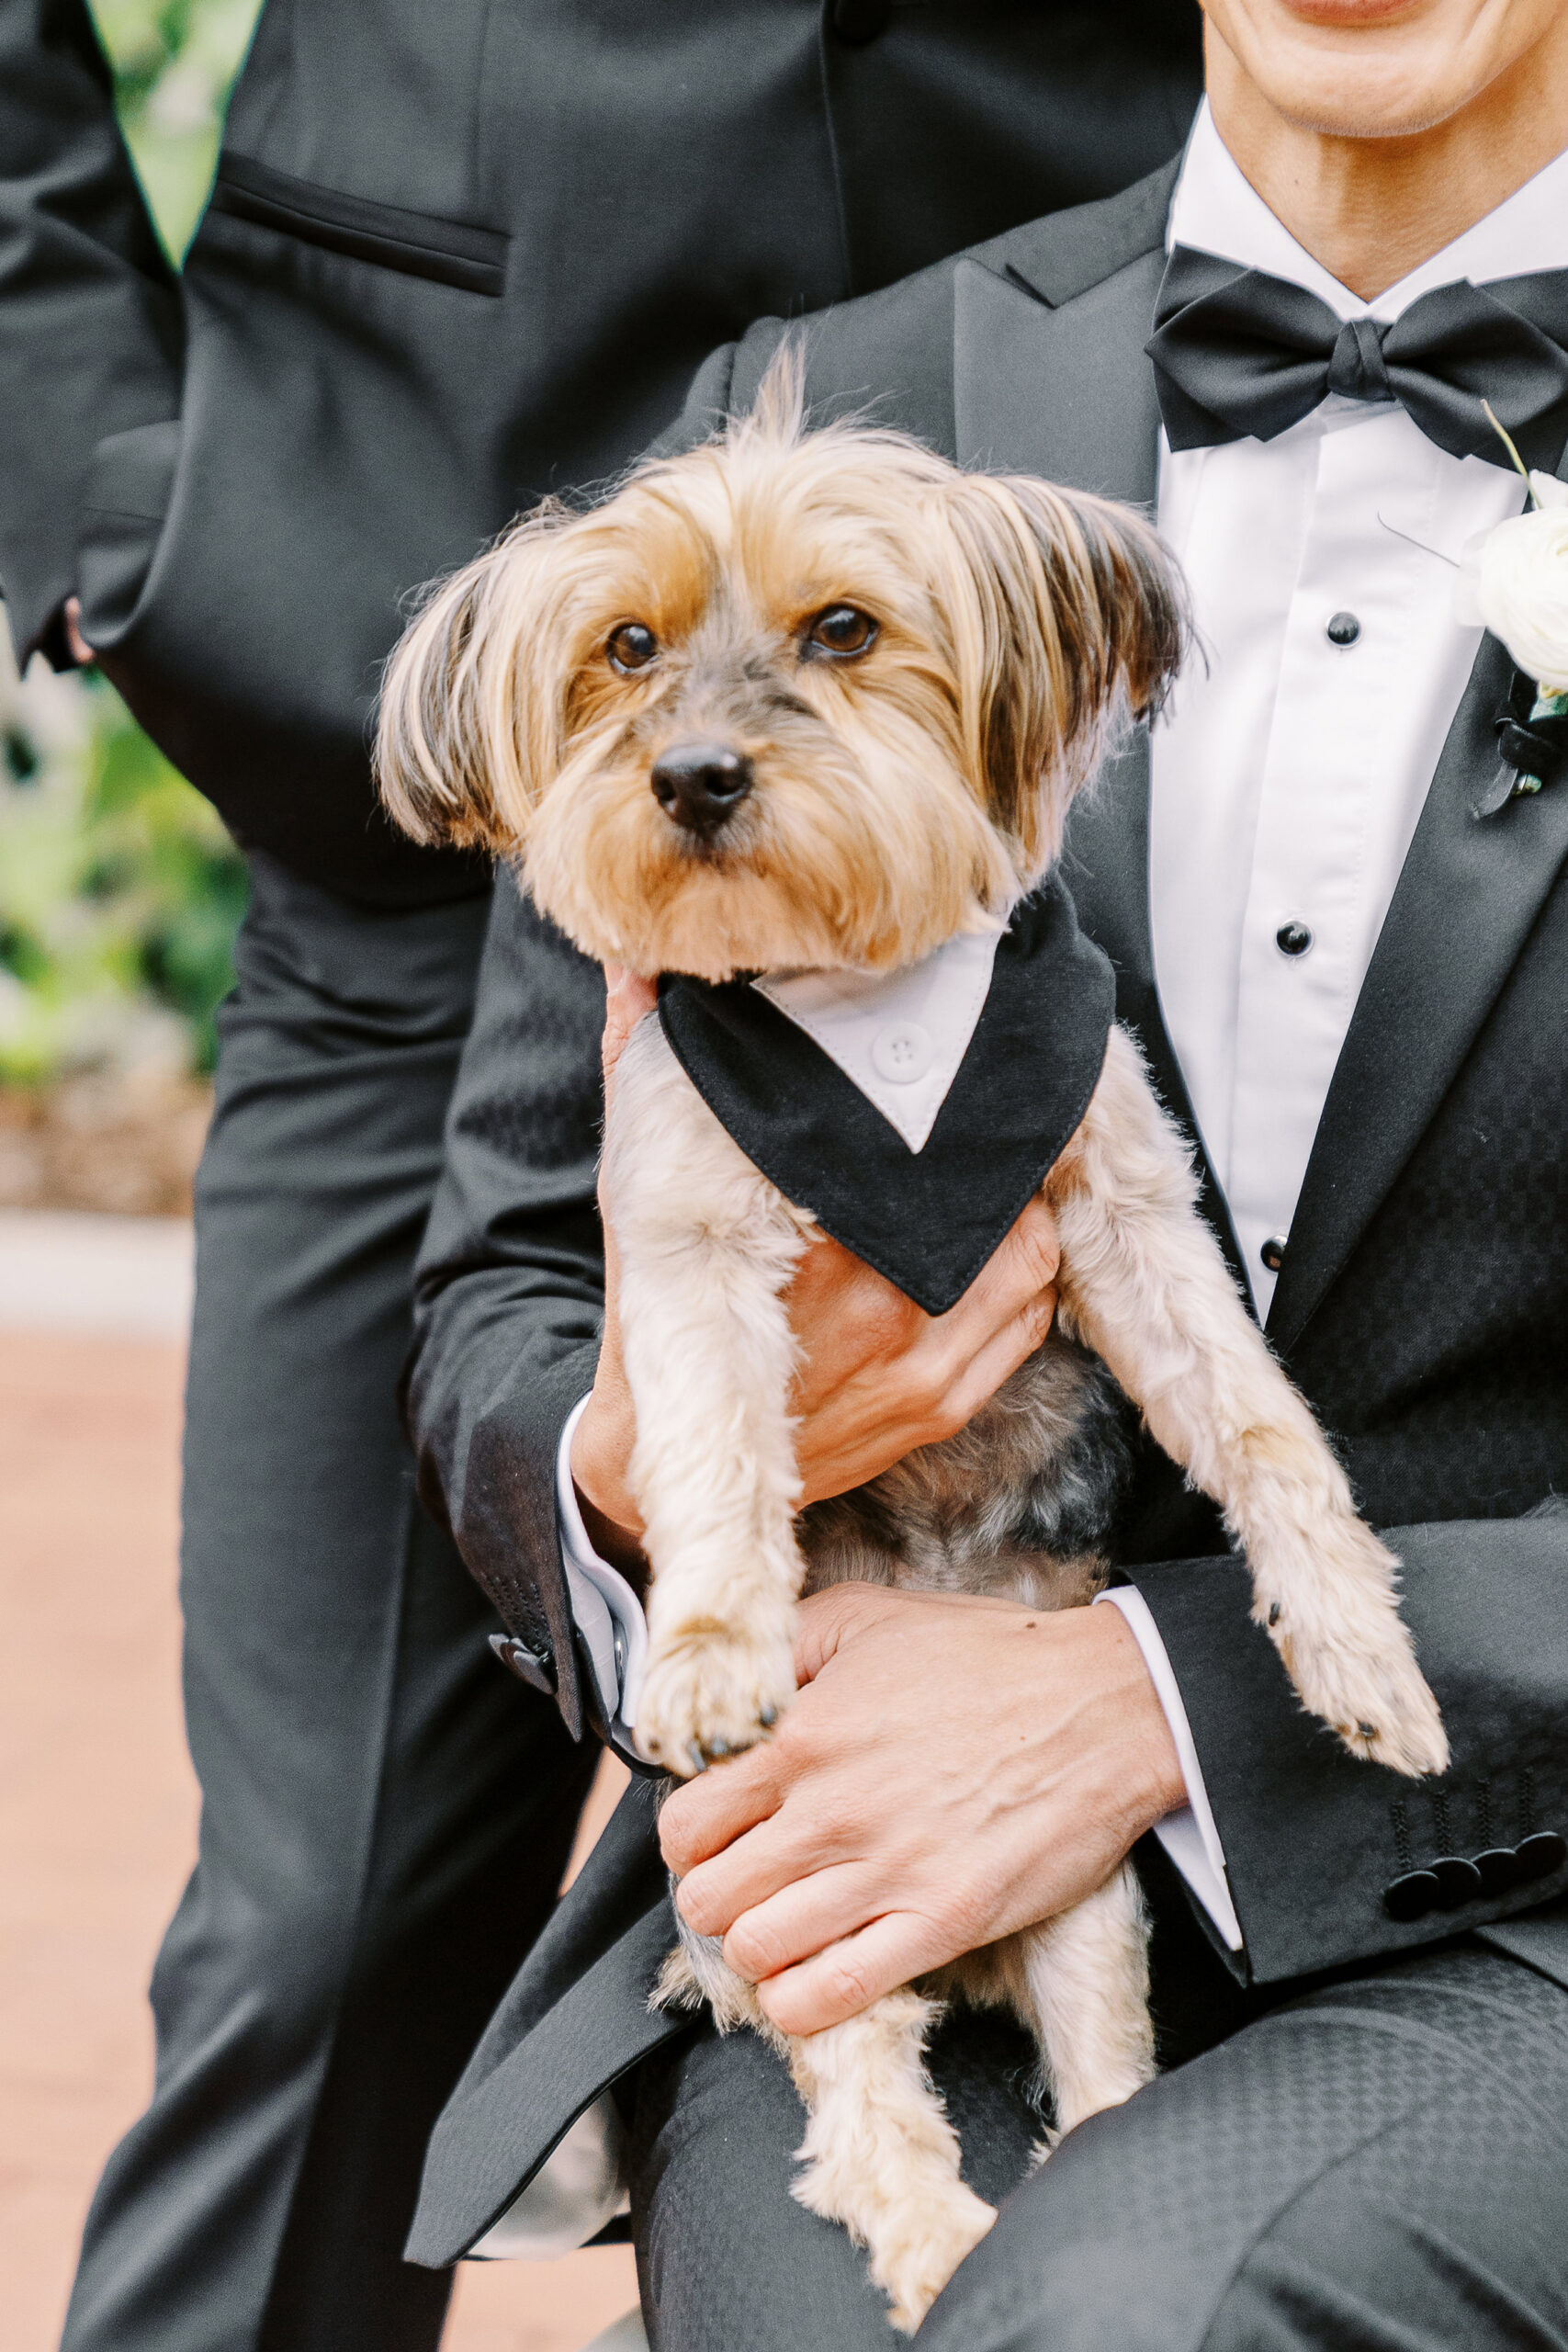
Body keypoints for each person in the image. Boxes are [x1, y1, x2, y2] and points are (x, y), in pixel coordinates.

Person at [0, 6, 1207, 2347]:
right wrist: (107, 468)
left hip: (1013, 714)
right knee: (319, 1936)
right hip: (386, 594)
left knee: (1149, 1849)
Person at [393, 0, 1568, 2344]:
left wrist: (1160, 1695)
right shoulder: (819, 386)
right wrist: (643, 1478)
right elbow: (510, 1280)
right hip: (875, 1837)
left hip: (1513, 1871)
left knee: (1112, 2318)